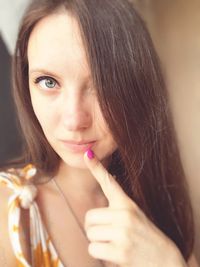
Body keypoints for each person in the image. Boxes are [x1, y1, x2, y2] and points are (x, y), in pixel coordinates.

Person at [0, 0, 197, 266]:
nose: (74, 120)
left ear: (136, 89)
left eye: (99, 86)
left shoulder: (159, 206)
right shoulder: (12, 212)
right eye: (48, 82)